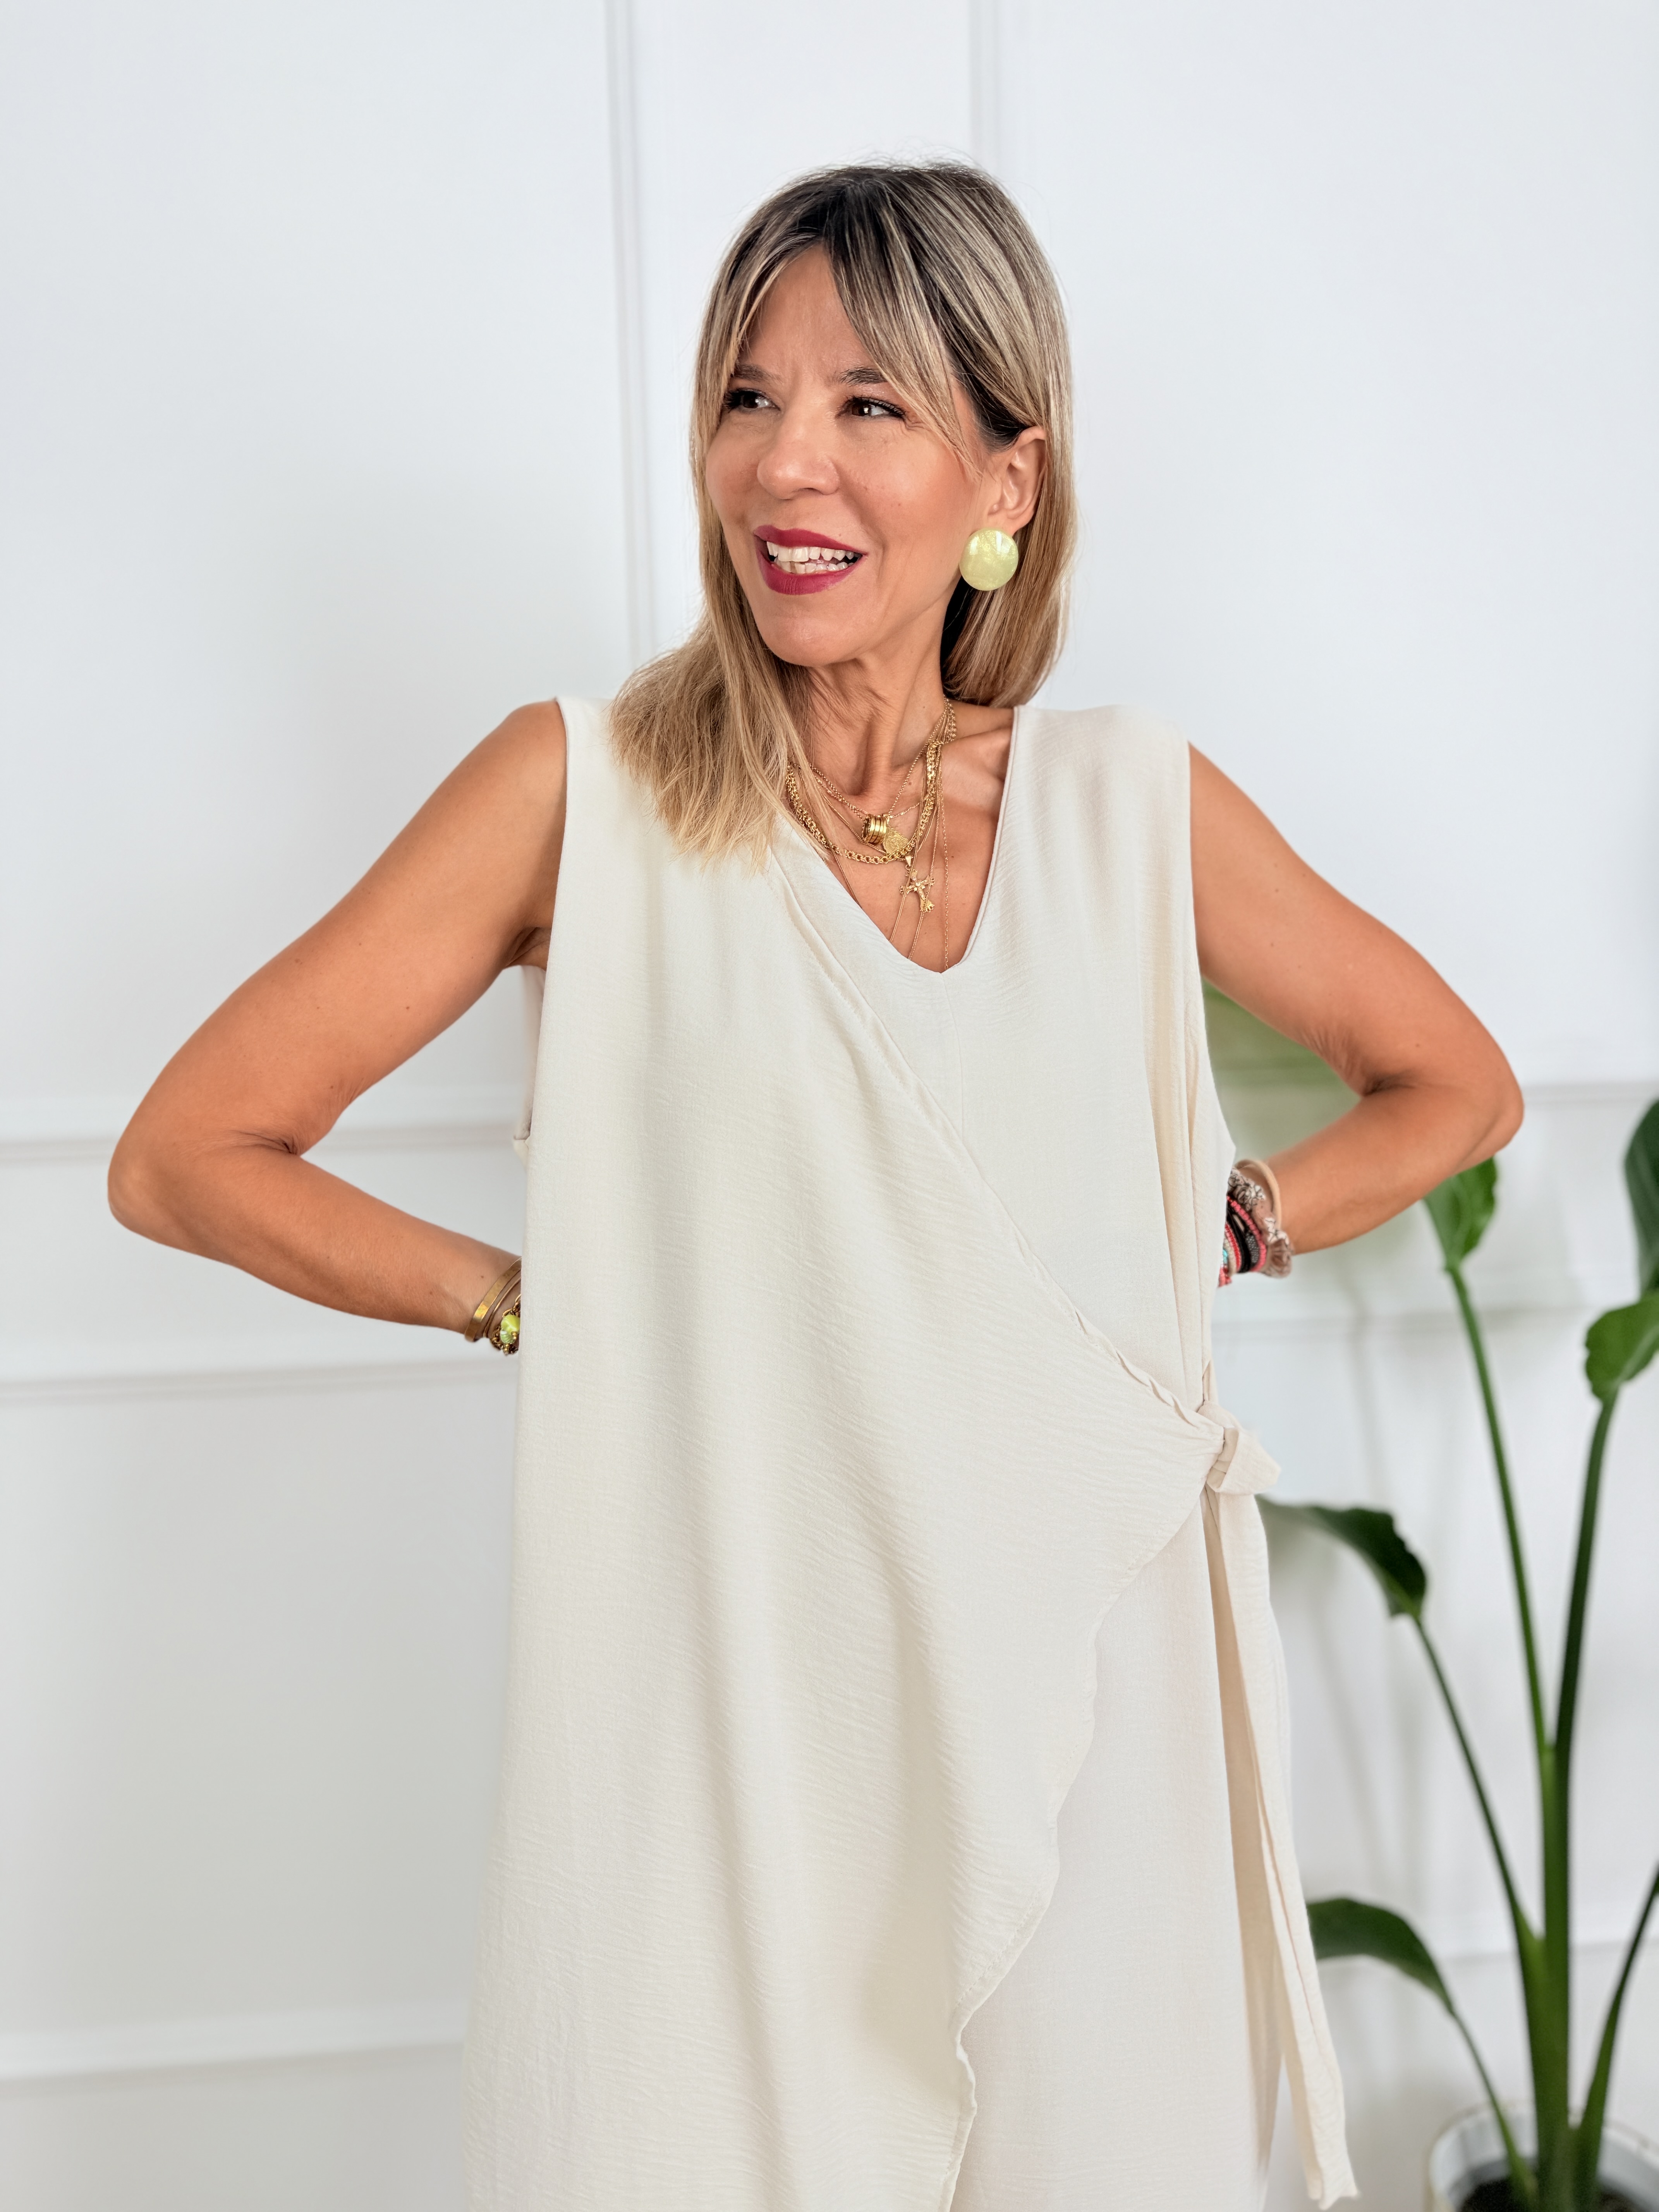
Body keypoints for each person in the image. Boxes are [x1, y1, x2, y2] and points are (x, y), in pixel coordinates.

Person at [109, 161, 1522, 2212]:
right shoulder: (583, 795)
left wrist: (1244, 1217)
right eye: (747, 397)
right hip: (734, 1729)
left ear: (1006, 477)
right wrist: (539, 1303)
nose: (789, 459)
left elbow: (1456, 1086)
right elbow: (190, 1153)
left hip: (1096, 1718)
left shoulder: (1130, 807)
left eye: (870, 403)